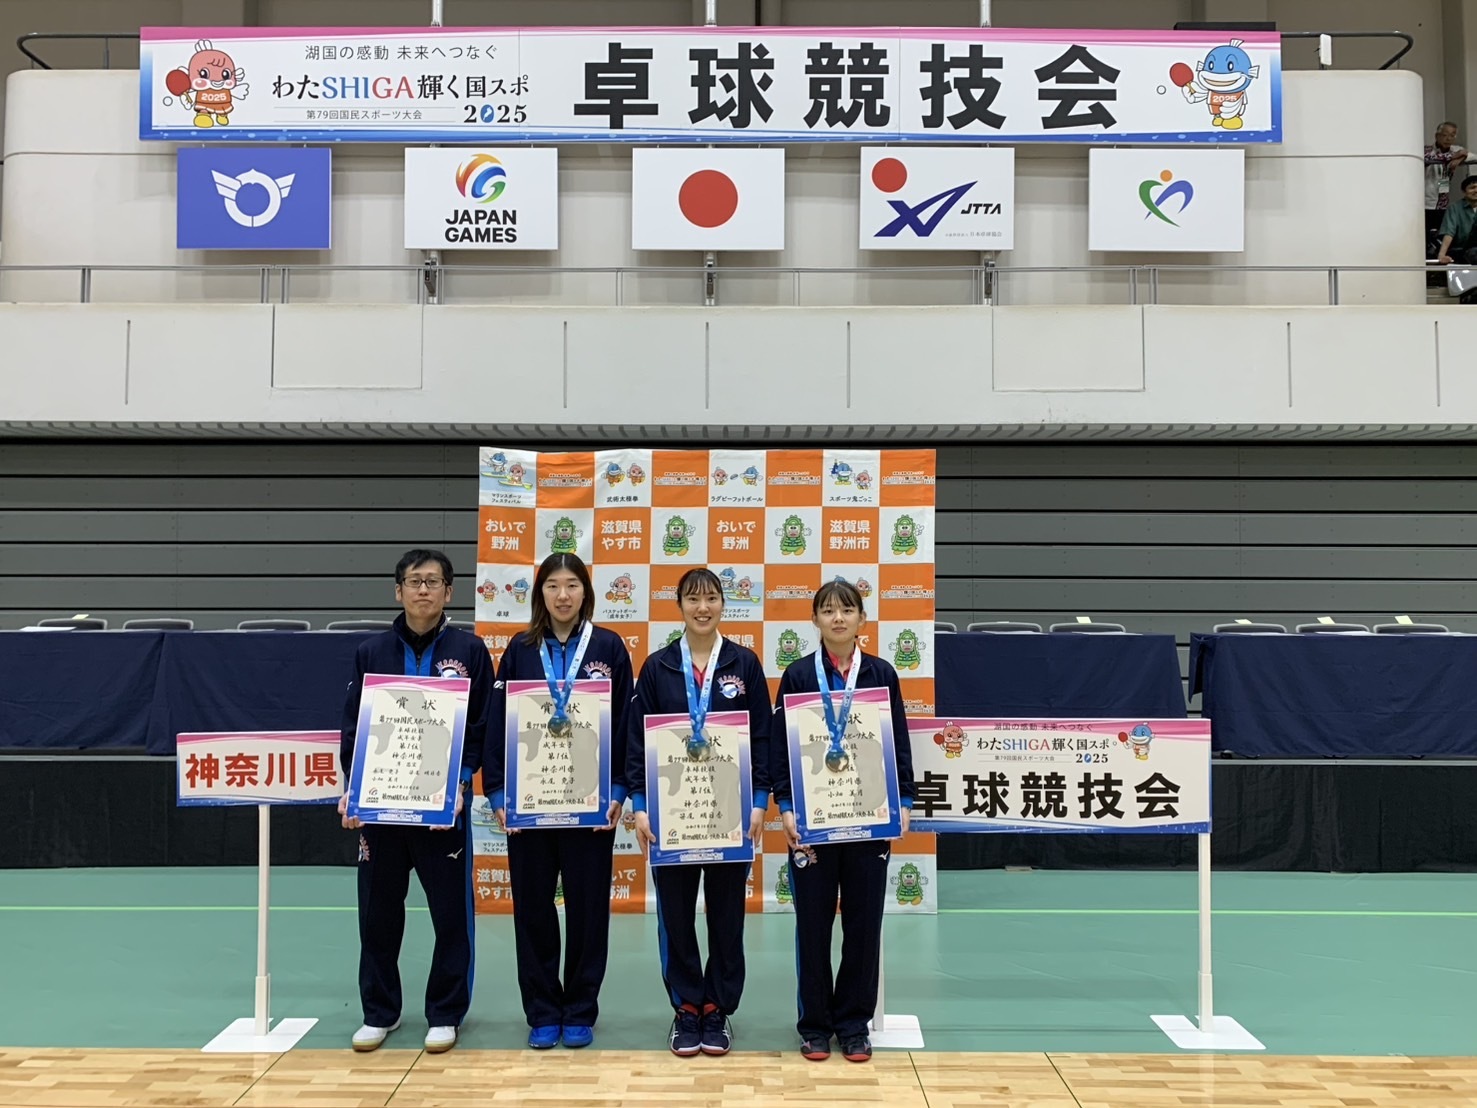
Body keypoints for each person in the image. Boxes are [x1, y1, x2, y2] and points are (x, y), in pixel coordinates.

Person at [337, 549, 492, 1054]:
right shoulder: (371, 653)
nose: (423, 590)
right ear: (397, 590)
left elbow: (481, 728)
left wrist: (463, 781)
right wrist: (353, 789)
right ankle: (379, 1012)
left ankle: (445, 1012)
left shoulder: (470, 652)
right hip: (381, 811)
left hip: (443, 810)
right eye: (414, 581)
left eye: (434, 582)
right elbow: (354, 727)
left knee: (450, 915)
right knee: (378, 914)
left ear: (449, 592)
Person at [483, 553, 633, 1050]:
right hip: (531, 806)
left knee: (589, 912)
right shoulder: (521, 650)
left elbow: (627, 731)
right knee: (533, 910)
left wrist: (617, 792)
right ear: (540, 594)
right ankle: (543, 1009)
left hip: (592, 809)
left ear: (585, 592)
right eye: (553, 586)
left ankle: (581, 1008)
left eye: (572, 586)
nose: (563, 595)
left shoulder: (609, 648)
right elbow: (498, 725)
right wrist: (500, 792)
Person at [627, 567, 771, 1057]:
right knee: (677, 915)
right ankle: (687, 1008)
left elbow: (764, 740)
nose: (702, 607)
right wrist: (641, 807)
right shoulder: (657, 667)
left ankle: (719, 1009)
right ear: (680, 605)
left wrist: (758, 803)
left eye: (711, 598)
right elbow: (635, 740)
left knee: (727, 917)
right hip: (673, 814)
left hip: (731, 813)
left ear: (723, 604)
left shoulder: (744, 664)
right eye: (693, 599)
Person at [771, 580, 916, 1064]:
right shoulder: (796, 676)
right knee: (812, 925)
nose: (837, 618)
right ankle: (814, 1025)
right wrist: (786, 805)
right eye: (828, 610)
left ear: (861, 620)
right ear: (814, 620)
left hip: (868, 817)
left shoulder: (881, 673)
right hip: (813, 822)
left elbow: (897, 738)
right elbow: (781, 751)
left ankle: (853, 1024)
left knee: (862, 924)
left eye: (846, 610)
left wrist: (906, 799)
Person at [1426, 122, 1468, 253]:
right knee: (1425, 237)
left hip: (1442, 202)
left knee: (1440, 236)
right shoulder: (1427, 150)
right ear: (1437, 135)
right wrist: (1453, 157)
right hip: (1424, 201)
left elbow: (1468, 153)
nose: (1448, 138)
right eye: (1445, 135)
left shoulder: (1455, 150)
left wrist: (1458, 160)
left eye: (1452, 135)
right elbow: (1430, 157)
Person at [1436, 175, 1477, 266]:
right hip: (1462, 251)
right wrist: (1442, 255)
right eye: (1472, 188)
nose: (1476, 191)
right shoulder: (1455, 208)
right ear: (1464, 191)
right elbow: (1449, 231)